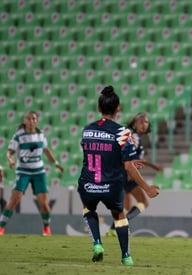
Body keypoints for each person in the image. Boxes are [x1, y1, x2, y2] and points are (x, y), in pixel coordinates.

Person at [77, 86, 159, 265]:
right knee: (119, 215)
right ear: (118, 108)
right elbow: (129, 165)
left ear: (99, 108)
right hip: (111, 184)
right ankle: (126, 256)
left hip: (88, 183)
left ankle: (97, 244)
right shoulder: (123, 133)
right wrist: (148, 188)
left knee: (89, 210)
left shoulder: (87, 130)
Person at [0, 111, 64, 236]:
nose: (31, 121)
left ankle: (46, 228)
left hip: (38, 172)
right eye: (28, 119)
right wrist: (10, 160)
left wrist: (56, 163)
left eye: (33, 119)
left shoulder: (41, 135)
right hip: (23, 171)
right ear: (24, 121)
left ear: (37, 121)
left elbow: (46, 151)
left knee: (44, 204)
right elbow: (10, 152)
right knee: (14, 200)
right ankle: (1, 228)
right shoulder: (18, 135)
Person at [106, 112, 163, 237]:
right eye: (141, 121)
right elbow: (129, 159)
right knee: (143, 202)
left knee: (126, 206)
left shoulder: (137, 138)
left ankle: (113, 229)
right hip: (127, 174)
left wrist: (154, 167)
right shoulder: (134, 138)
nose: (144, 124)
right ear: (134, 123)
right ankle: (117, 227)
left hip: (121, 174)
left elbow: (138, 160)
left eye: (146, 122)